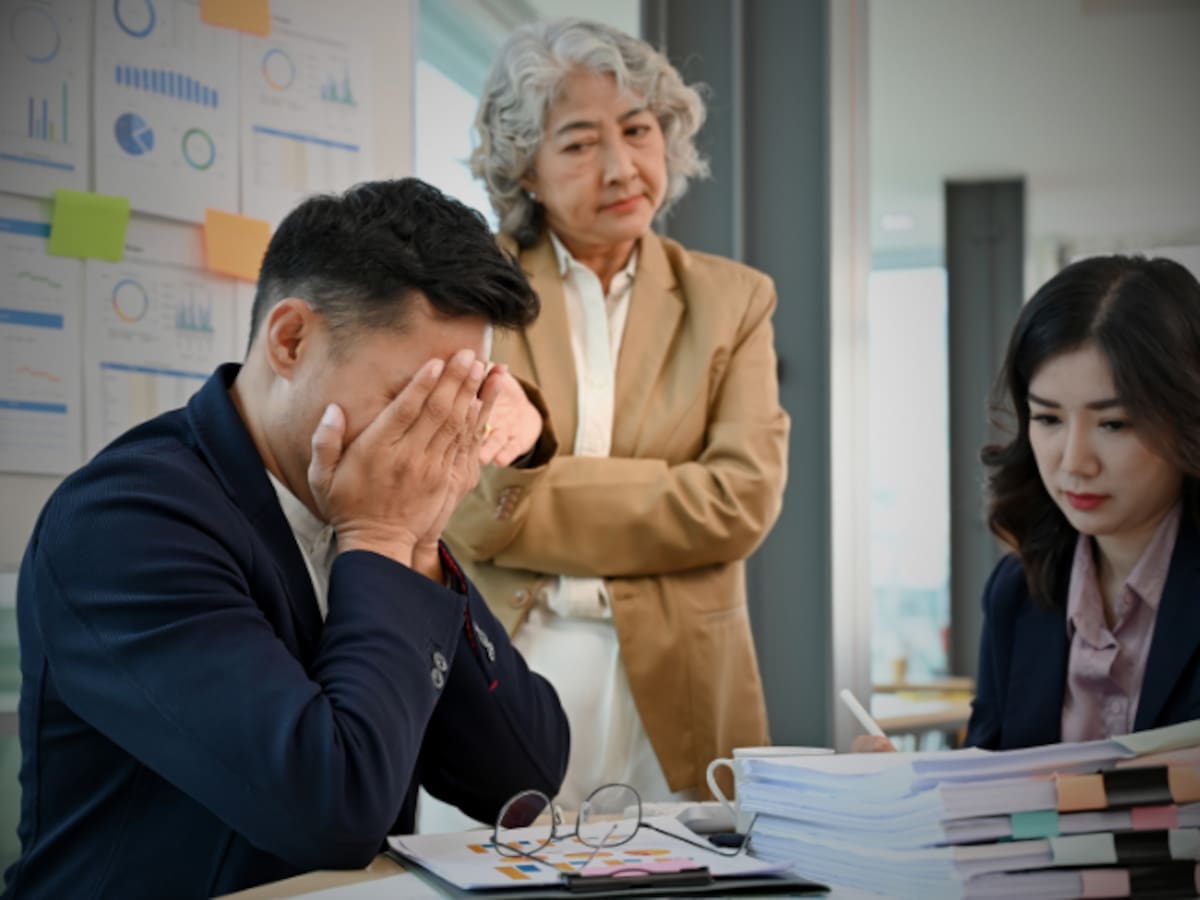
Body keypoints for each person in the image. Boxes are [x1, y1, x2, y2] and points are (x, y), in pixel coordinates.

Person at [3, 179, 570, 898]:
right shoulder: (124, 523)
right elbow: (331, 815)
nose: (436, 439)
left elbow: (521, 779)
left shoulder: (376, 507)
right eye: (411, 400)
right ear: (291, 340)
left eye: (459, 403)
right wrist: (383, 537)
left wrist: (419, 551)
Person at [443, 18, 789, 807]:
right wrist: (662, 489)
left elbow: (739, 502)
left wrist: (533, 482)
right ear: (524, 167)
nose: (621, 166)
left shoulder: (734, 300)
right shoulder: (468, 288)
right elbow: (460, 506)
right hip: (501, 664)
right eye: (578, 143)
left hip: (679, 678)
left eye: (638, 130)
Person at [854, 254, 1200, 754]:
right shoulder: (1018, 592)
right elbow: (989, 790)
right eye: (1048, 419)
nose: (1074, 462)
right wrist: (909, 791)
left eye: (1114, 424)